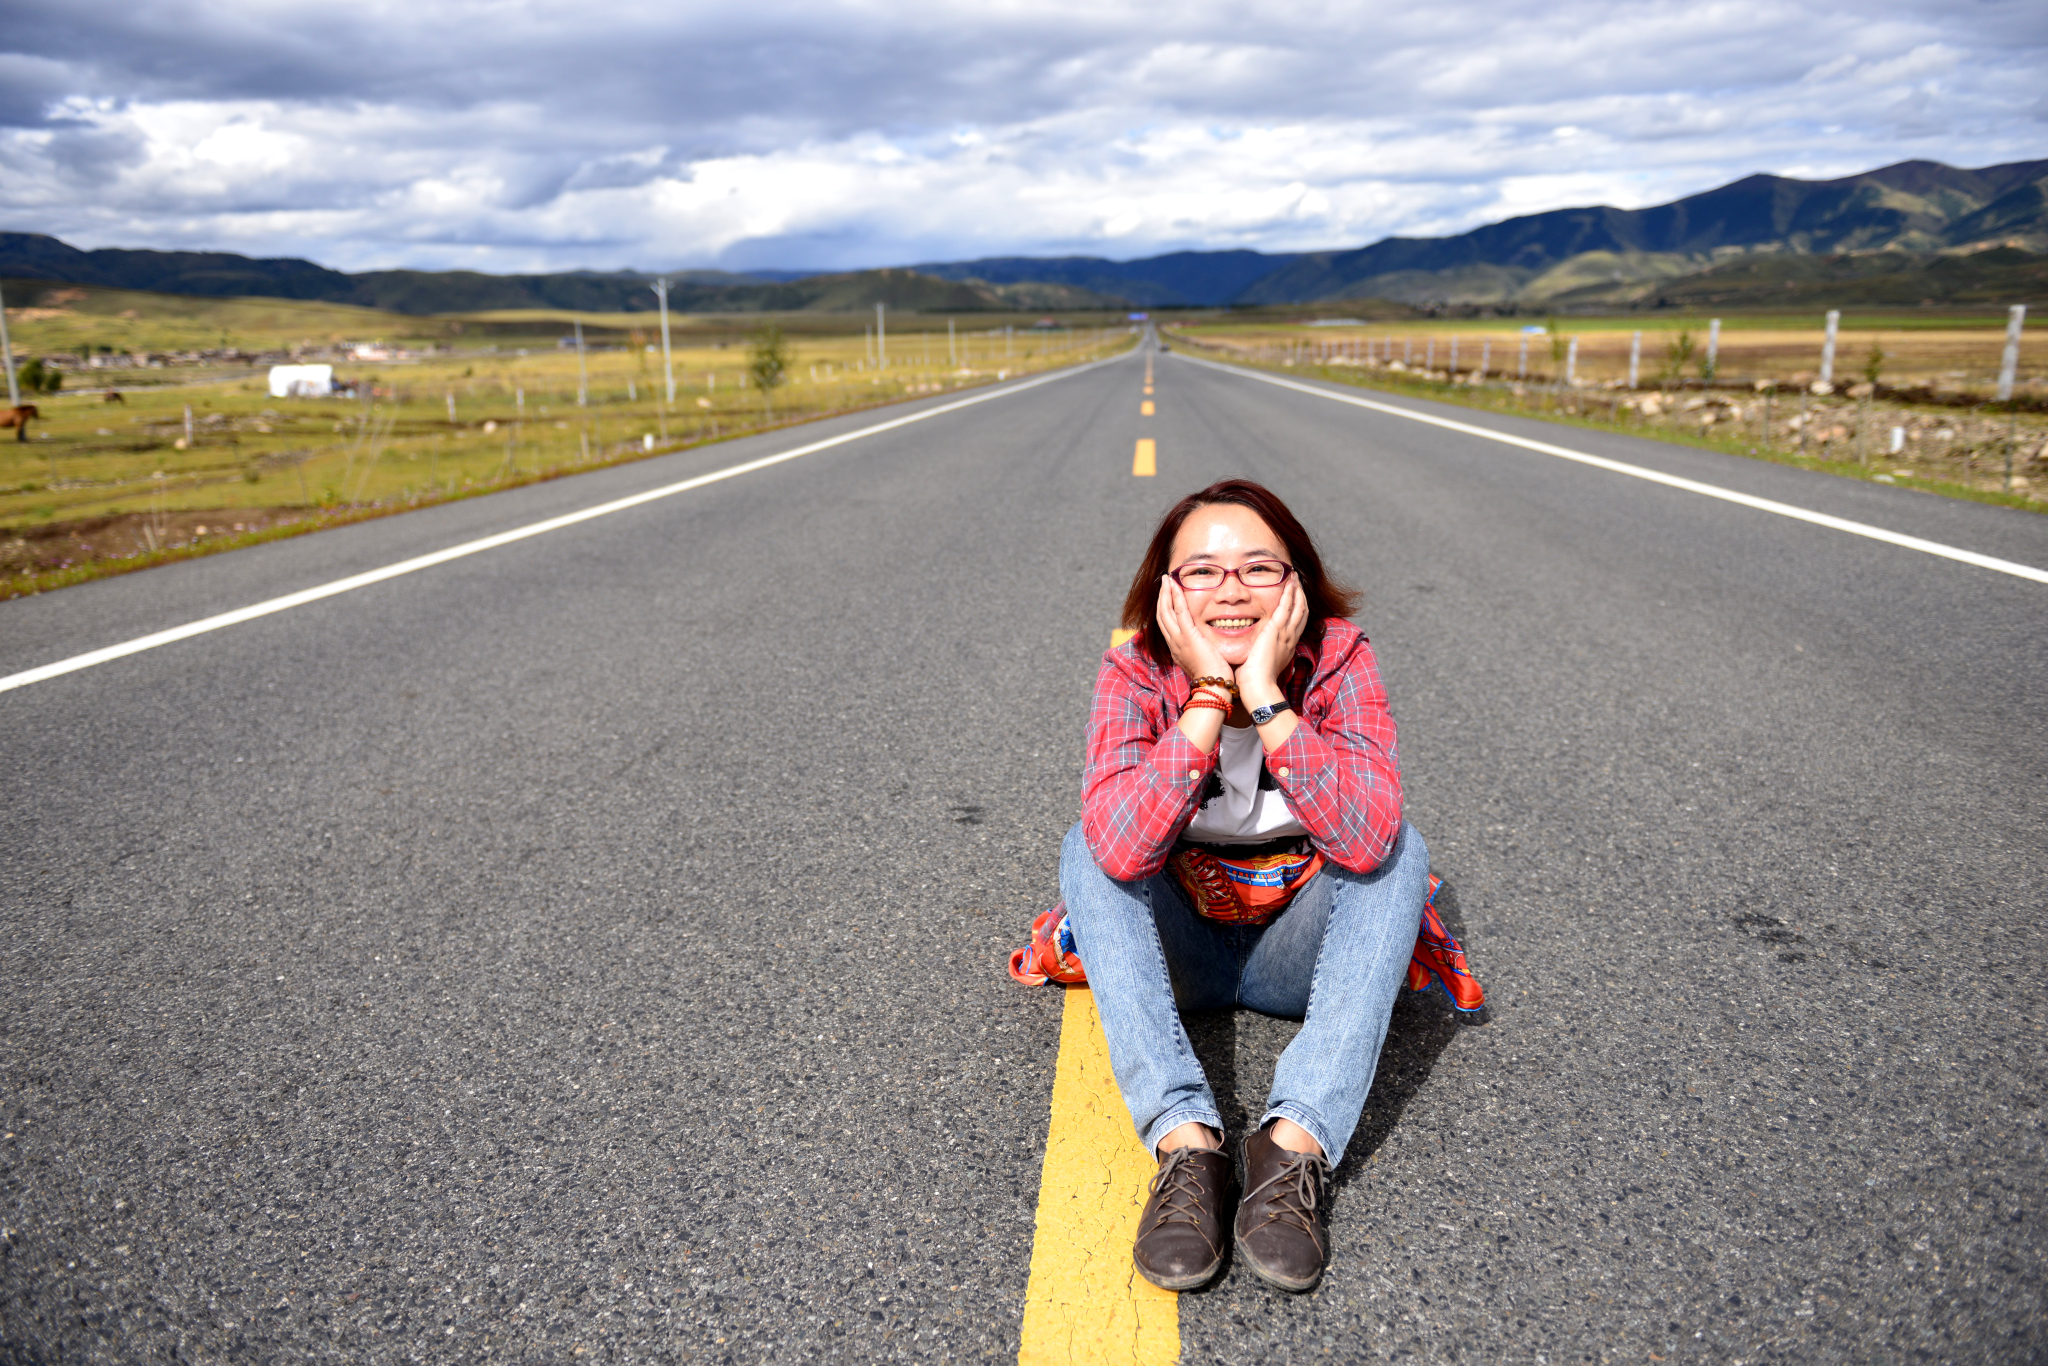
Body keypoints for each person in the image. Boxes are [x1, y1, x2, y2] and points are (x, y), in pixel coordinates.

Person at [1058, 477, 1431, 1294]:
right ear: (1167, 590)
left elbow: (1367, 840)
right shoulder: (1134, 672)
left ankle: (1292, 1147)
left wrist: (1264, 697)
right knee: (1088, 845)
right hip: (1180, 953)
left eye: (1259, 568)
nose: (1231, 590)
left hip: (1299, 955)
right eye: (1203, 571)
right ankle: (1187, 1145)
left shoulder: (1340, 660)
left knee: (1402, 848)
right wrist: (1206, 698)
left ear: (1296, 584)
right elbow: (1119, 852)